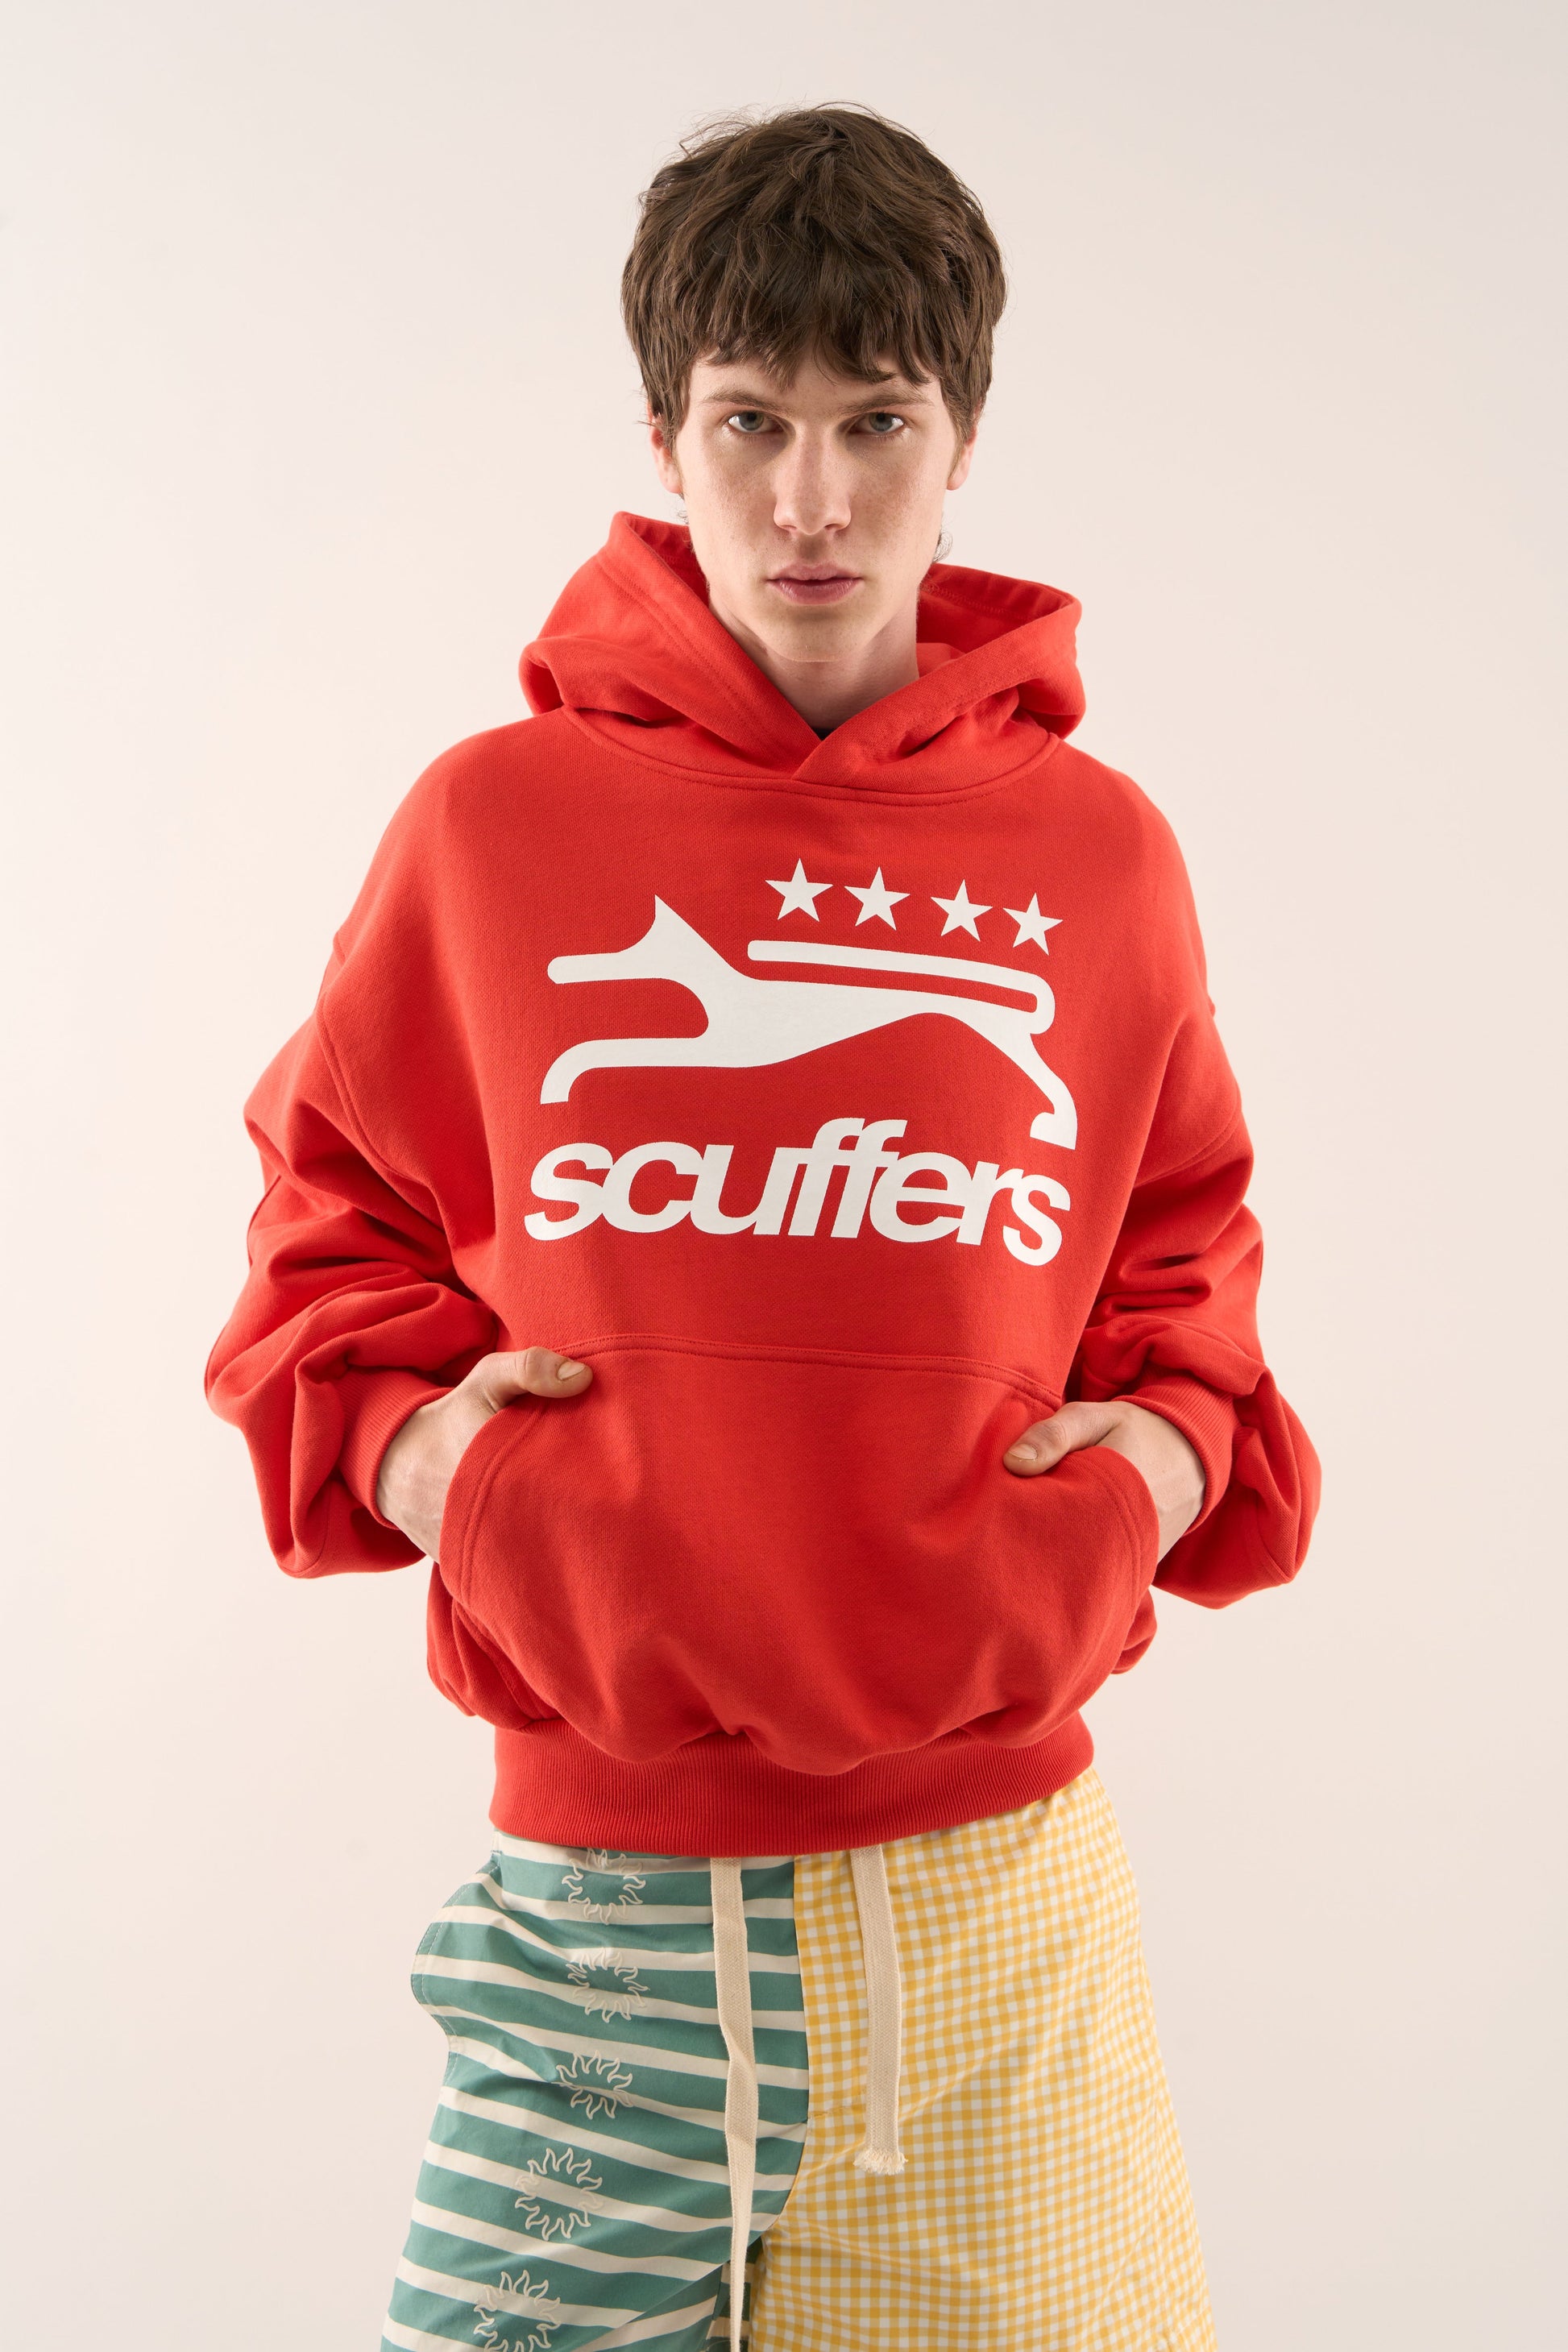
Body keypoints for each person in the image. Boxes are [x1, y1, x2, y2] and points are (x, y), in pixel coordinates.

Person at [207, 102, 1320, 2352]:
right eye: (751, 423)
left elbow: (1184, 1258)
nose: (812, 500)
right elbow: (326, 1237)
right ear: (664, 435)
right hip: (602, 1930)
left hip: (993, 1921)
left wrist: (1145, 1470)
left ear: (962, 435)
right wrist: (441, 1466)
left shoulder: (1099, 857)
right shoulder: (491, 827)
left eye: (873, 422)